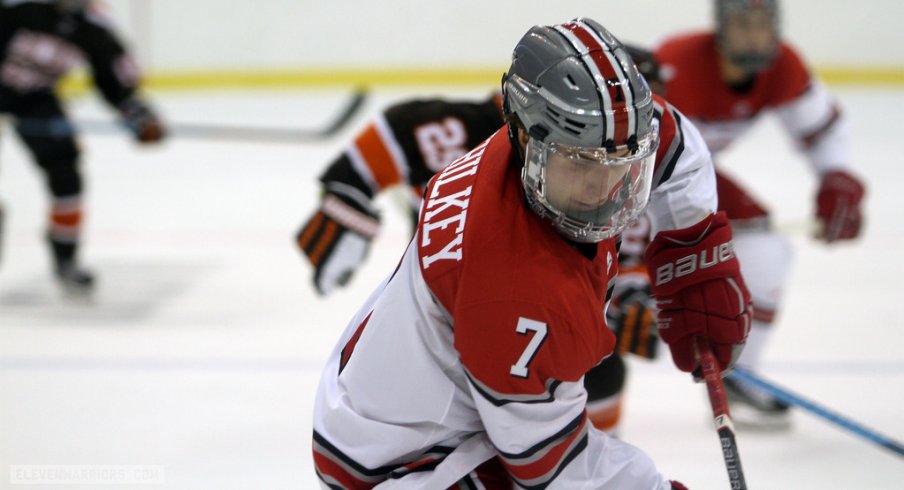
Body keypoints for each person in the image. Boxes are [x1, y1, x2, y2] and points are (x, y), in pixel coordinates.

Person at [311, 17, 752, 488]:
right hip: (399, 466)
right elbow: (555, 472)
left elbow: (675, 144)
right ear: (525, 138)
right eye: (581, 163)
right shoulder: (515, 294)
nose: (603, 189)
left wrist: (696, 250)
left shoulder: (580, 132)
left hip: (407, 400)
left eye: (621, 164)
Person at [296, 46, 663, 436]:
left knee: (601, 375)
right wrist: (349, 193)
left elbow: (621, 269)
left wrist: (625, 304)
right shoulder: (473, 131)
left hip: (528, 326)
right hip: (439, 327)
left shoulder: (628, 179)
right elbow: (399, 131)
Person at [653, 0, 866, 429]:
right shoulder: (676, 63)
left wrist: (837, 177)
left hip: (693, 175)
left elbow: (821, 128)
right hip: (636, 179)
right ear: (720, 29)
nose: (756, 35)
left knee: (766, 249)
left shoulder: (783, 65)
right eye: (744, 25)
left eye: (765, 24)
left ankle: (741, 376)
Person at [0, 0, 165, 294]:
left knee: (66, 172)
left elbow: (115, 79)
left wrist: (139, 116)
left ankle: (66, 259)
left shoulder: (94, 26)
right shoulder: (17, 5)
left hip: (35, 99)